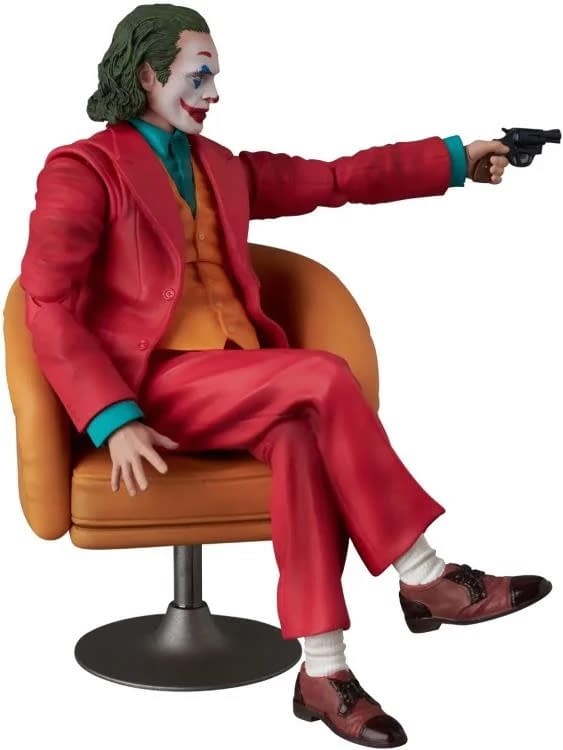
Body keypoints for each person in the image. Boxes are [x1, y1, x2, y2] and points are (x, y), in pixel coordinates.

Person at [19, 4, 552, 748]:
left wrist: (457, 159)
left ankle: (322, 671)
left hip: (239, 379)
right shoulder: (83, 169)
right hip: (151, 386)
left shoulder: (219, 167)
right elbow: (45, 300)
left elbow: (335, 178)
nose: (213, 92)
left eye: (215, 76)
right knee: (321, 377)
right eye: (197, 76)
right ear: (146, 75)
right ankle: (423, 573)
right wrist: (112, 416)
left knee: (301, 434)